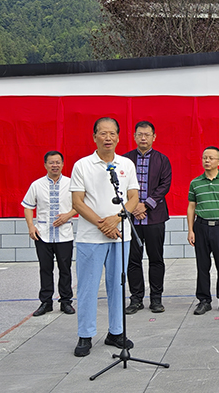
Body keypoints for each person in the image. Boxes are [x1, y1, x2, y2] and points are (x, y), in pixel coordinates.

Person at [69, 117, 139, 357]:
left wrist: (116, 219)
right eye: (102, 133)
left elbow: (133, 198)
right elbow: (77, 202)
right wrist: (103, 224)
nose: (107, 138)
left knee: (118, 284)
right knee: (88, 287)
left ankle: (116, 332)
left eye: (112, 134)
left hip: (121, 235)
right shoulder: (82, 165)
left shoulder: (126, 164)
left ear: (119, 137)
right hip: (91, 236)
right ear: (94, 137)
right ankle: (85, 334)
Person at [123, 121, 172, 315]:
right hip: (131, 220)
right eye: (140, 134)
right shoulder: (125, 160)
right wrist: (134, 207)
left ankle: (156, 299)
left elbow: (164, 185)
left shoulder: (162, 160)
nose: (143, 138)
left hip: (155, 218)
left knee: (156, 258)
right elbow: (119, 186)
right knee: (133, 260)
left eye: (147, 135)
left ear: (154, 137)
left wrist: (145, 205)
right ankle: (135, 299)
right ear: (134, 136)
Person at [22, 151, 77, 317]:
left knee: (65, 269)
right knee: (45, 268)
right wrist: (31, 226)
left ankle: (66, 301)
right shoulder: (37, 185)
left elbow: (81, 204)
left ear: (62, 164)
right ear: (45, 165)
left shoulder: (71, 183)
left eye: (58, 162)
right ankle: (46, 302)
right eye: (51, 162)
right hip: (43, 234)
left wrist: (68, 215)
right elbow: (28, 206)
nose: (55, 165)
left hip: (64, 234)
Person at [187, 146, 219, 316]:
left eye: (210, 158)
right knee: (202, 266)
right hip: (200, 227)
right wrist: (190, 230)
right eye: (204, 158)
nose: (207, 161)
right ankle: (204, 300)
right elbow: (191, 207)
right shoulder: (195, 182)